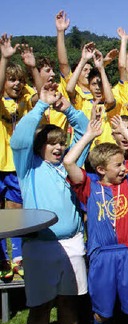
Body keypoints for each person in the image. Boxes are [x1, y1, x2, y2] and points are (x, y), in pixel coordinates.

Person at [11, 83, 89, 324]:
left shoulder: (71, 163)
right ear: (39, 147)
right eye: (51, 144)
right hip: (40, 246)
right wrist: (41, 105)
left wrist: (68, 109)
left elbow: (85, 129)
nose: (58, 148)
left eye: (61, 143)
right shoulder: (29, 167)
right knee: (41, 308)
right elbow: (19, 139)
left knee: (69, 304)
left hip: (73, 243)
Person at [64, 115, 128, 324]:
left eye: (123, 164)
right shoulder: (89, 187)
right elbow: (69, 162)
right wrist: (90, 136)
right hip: (101, 256)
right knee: (102, 312)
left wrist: (124, 130)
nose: (123, 168)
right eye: (118, 165)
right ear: (101, 169)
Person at [0, 35, 41, 280]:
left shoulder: (25, 101)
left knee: (15, 211)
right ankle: (1, 260)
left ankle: (17, 258)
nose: (15, 84)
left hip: (16, 166)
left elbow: (41, 95)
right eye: (10, 80)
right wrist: (4, 58)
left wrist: (32, 68)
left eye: (19, 80)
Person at [66, 43, 117, 146]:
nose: (98, 88)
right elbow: (69, 89)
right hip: (86, 152)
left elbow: (110, 100)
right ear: (89, 86)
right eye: (94, 84)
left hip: (107, 153)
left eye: (101, 84)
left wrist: (102, 68)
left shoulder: (109, 105)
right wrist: (83, 60)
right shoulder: (82, 102)